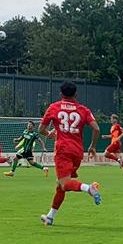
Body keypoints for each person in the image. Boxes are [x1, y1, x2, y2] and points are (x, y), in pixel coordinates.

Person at [39, 81, 102, 225]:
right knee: (60, 185)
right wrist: (92, 146)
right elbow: (96, 129)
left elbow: (41, 129)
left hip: (63, 150)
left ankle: (89, 188)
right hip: (77, 151)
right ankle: (50, 217)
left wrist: (50, 133)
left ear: (61, 94)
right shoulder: (83, 109)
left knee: (65, 183)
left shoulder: (54, 107)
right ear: (76, 94)